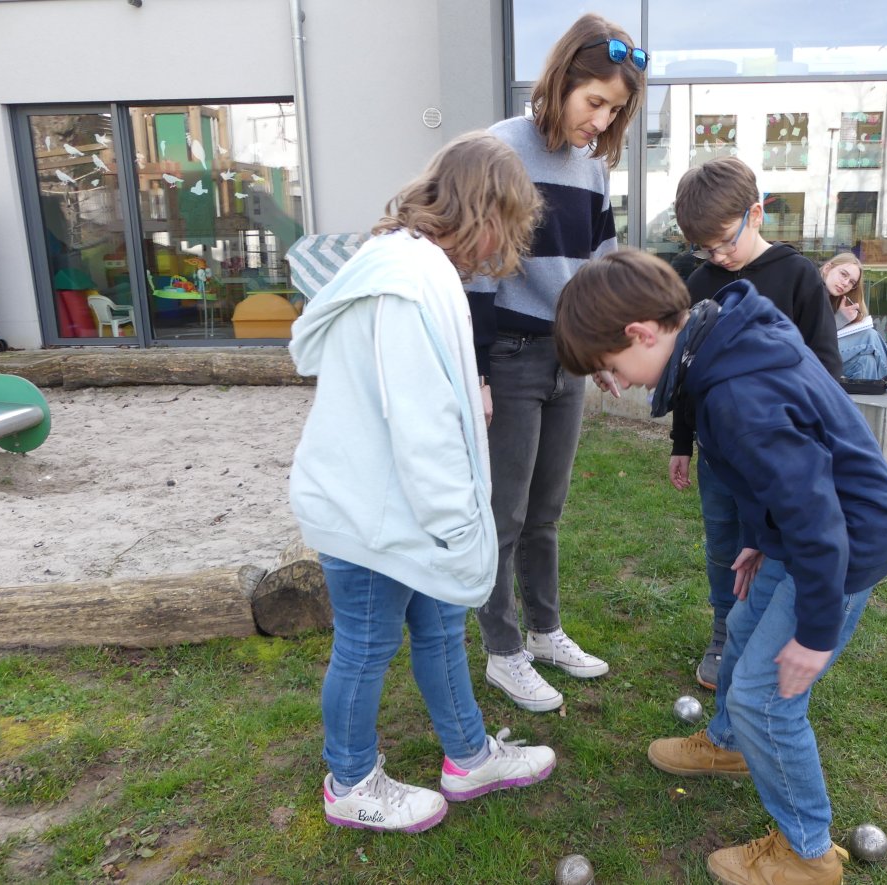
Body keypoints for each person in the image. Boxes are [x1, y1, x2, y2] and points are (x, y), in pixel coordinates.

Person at [552, 249, 887, 885]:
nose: (618, 385)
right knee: (742, 631)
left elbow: (817, 513)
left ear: (640, 333)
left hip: (844, 542)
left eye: (609, 369)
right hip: (802, 534)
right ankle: (727, 747)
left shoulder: (736, 393)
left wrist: (814, 633)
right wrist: (760, 537)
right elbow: (784, 474)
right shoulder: (722, 339)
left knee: (766, 697)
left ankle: (808, 853)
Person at [288, 132, 555, 834]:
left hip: (393, 502)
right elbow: (422, 420)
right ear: (483, 211)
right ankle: (349, 780)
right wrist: (459, 524)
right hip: (373, 511)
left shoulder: (413, 267)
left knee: (438, 625)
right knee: (368, 641)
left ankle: (468, 754)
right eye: (510, 225)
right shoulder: (407, 285)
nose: (507, 247)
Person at [466, 13, 647, 712]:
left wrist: (605, 349)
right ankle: (502, 651)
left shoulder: (594, 167)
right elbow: (479, 274)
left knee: (546, 512)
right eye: (594, 102)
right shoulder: (498, 151)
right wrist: (478, 372)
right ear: (561, 81)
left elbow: (599, 267)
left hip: (566, 360)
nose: (600, 122)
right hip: (508, 359)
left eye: (616, 111)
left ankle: (544, 630)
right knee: (503, 515)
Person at [670, 156, 842, 692]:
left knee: (770, 545)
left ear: (757, 213)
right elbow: (687, 371)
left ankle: (763, 636)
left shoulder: (798, 277)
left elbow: (825, 369)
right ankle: (724, 633)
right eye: (705, 247)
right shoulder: (702, 282)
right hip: (721, 456)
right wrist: (682, 442)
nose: (717, 255)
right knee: (724, 545)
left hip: (780, 458)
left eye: (724, 240)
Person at [820, 251, 887, 381]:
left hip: (824, 355)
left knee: (866, 361)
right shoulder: (811, 290)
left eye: (851, 282)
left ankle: (864, 401)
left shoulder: (833, 299)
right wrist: (840, 319)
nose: (845, 283)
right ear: (828, 268)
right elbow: (812, 335)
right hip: (807, 356)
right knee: (869, 337)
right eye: (843, 274)